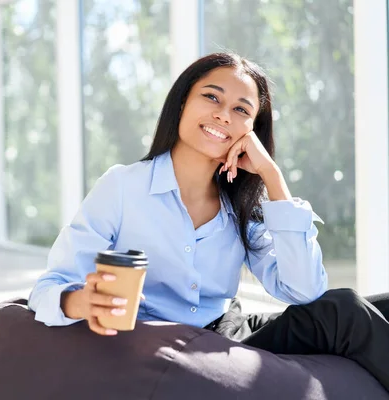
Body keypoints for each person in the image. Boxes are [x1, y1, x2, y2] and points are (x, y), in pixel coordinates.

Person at [28, 52, 389, 390]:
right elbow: (48, 288)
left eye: (240, 109)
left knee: (375, 304)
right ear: (182, 102)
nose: (223, 115)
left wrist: (272, 176)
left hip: (231, 334)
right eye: (212, 98)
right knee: (345, 311)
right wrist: (81, 302)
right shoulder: (123, 187)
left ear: (252, 130)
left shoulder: (243, 201)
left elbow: (303, 290)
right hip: (169, 349)